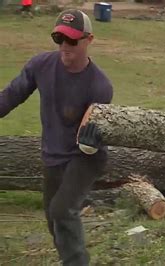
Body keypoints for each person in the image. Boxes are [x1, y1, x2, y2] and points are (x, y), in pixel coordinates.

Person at [0, 9, 113, 265]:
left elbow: (94, 135)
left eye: (72, 40)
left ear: (89, 40)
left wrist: (93, 140)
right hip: (52, 156)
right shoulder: (40, 65)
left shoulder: (99, 86)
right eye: (59, 38)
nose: (64, 46)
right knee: (54, 221)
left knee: (62, 210)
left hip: (85, 157)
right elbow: (10, 96)